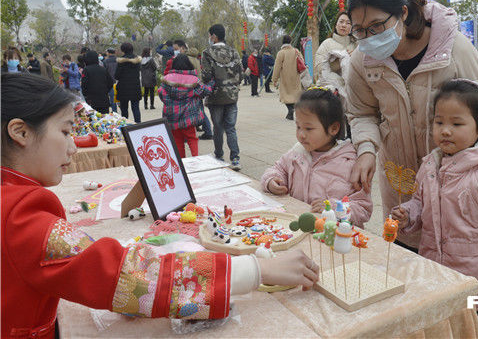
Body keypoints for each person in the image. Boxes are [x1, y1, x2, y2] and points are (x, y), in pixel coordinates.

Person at [0, 73, 320, 338]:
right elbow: (129, 277)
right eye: (66, 131)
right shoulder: (19, 216)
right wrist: (259, 269)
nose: (72, 147)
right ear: (21, 132)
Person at [345, 0, 478, 251]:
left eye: (377, 26)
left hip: (455, 177)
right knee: (406, 246)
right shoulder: (361, 62)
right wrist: (366, 150)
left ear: (402, 12)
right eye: (359, 30)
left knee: (455, 249)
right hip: (399, 177)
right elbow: (362, 113)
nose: (368, 38)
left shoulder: (451, 47)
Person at [392, 80, 478, 339]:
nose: (445, 131)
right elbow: (421, 204)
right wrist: (408, 214)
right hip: (438, 282)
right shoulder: (430, 166)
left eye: (456, 124)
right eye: (439, 122)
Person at [261, 87, 373, 227]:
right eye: (298, 127)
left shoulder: (350, 164)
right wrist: (271, 181)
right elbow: (278, 169)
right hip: (298, 230)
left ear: (333, 128)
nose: (301, 134)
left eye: (308, 128)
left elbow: (363, 208)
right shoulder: (297, 153)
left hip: (331, 239)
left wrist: (332, 209)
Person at [201, 24, 243, 171]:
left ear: (213, 36)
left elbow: (206, 76)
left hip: (216, 96)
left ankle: (219, 156)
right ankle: (235, 159)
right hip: (232, 96)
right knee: (231, 128)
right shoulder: (233, 51)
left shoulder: (207, 53)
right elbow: (241, 73)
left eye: (209, 36)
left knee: (218, 127)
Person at [158, 54, 213, 158]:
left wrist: (170, 104)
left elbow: (161, 92)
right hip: (189, 117)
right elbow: (204, 91)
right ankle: (195, 159)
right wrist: (211, 84)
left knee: (177, 140)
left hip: (172, 116)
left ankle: (183, 163)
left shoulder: (166, 79)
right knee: (192, 138)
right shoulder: (193, 80)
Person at [314, 10, 357, 81]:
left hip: (353, 87)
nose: (343, 25)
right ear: (336, 25)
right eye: (341, 21)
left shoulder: (356, 45)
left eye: (348, 23)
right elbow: (318, 68)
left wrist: (356, 57)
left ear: (351, 27)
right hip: (331, 88)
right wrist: (338, 63)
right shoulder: (326, 44)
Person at [273, 35, 303, 121]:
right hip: (296, 76)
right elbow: (302, 62)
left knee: (285, 95)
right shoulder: (296, 51)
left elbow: (277, 67)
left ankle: (290, 110)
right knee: (294, 95)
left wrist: (274, 79)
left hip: (285, 77)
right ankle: (292, 110)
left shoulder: (281, 53)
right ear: (290, 41)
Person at [115, 42, 142, 123]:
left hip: (123, 88)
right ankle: (138, 125)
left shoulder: (121, 61)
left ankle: (125, 126)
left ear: (123, 50)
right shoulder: (137, 61)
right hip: (135, 87)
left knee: (124, 109)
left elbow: (117, 76)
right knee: (136, 108)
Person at [103, 48, 119, 113]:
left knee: (112, 97)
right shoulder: (118, 60)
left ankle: (114, 111)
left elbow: (104, 72)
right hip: (118, 80)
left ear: (108, 53)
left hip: (110, 81)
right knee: (119, 96)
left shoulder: (105, 61)